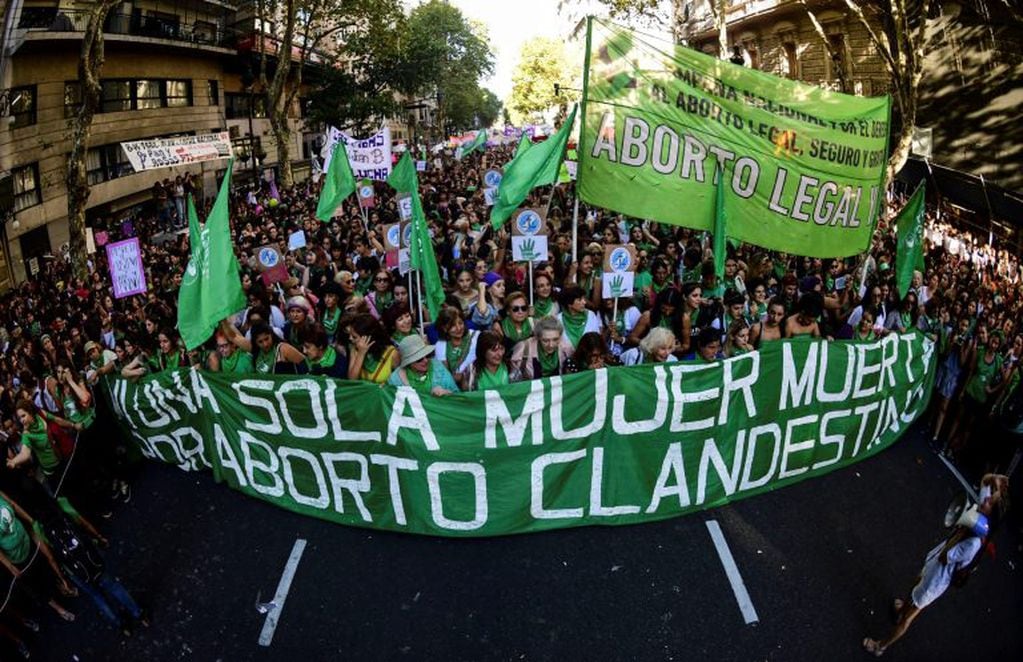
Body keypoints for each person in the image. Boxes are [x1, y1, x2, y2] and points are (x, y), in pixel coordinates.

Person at [862, 474, 1009, 656]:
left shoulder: (973, 544)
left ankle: (880, 646)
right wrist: (995, 479)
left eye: (989, 501)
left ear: (989, 519)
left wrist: (963, 529)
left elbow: (946, 558)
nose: (985, 499)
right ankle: (902, 608)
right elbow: (985, 481)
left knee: (908, 618)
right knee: (917, 581)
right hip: (934, 562)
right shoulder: (981, 512)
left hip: (937, 579)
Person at [387, 335, 458, 396]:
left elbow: (457, 394)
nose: (426, 360)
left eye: (427, 355)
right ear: (409, 362)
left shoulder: (438, 367)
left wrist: (446, 392)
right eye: (419, 359)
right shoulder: (395, 380)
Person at [345, 314, 398, 384]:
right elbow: (352, 380)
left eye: (354, 337)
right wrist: (361, 354)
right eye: (350, 335)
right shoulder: (354, 349)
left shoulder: (392, 353)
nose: (350, 338)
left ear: (368, 338)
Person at [557, 285, 602, 350]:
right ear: (569, 304)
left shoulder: (591, 316)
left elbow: (597, 341)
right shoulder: (558, 320)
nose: (584, 302)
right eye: (579, 300)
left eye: (584, 298)